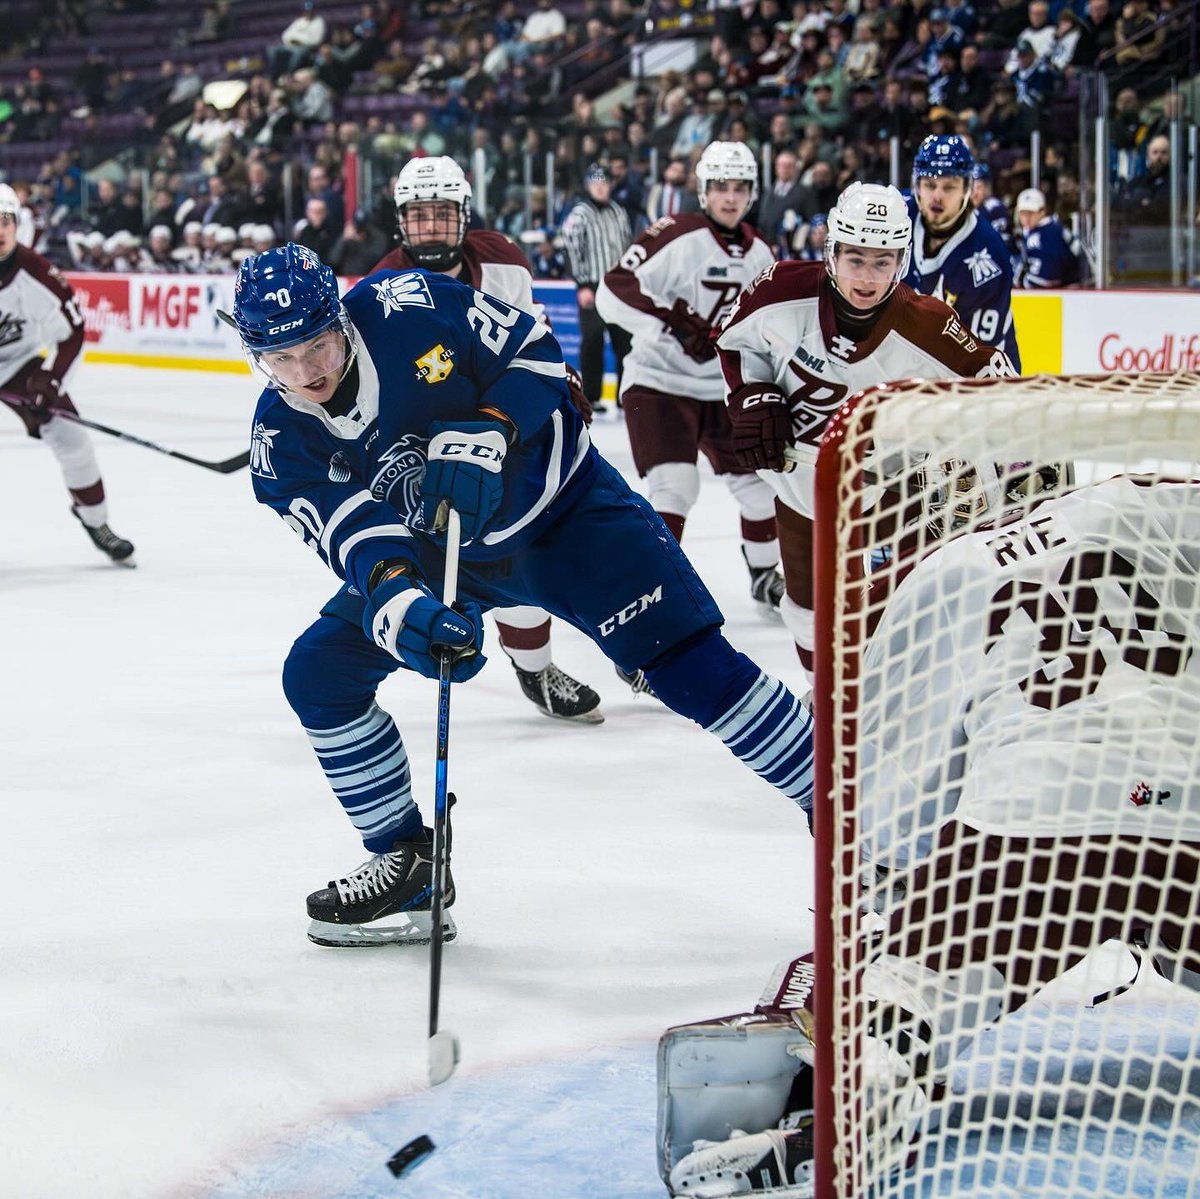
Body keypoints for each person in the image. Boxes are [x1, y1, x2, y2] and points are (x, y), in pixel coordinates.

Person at [231, 243, 816, 946]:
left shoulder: (411, 306)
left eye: (318, 346)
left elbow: (538, 353)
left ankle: (847, 814)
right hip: (447, 553)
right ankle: (408, 859)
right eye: (281, 359)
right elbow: (353, 539)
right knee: (319, 675)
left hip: (569, 517)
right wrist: (403, 608)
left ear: (341, 321)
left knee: (693, 670)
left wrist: (494, 426)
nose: (307, 372)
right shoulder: (278, 438)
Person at [661, 474, 1200, 1194]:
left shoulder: (942, 574)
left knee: (912, 991)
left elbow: (891, 816)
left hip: (1036, 815)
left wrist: (910, 910)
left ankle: (840, 1121)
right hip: (1189, 805)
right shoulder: (1148, 497)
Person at [714, 180, 1014, 688]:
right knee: (804, 607)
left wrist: (1000, 438)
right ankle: (826, 697)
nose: (868, 277)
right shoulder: (780, 289)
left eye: (882, 261)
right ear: (832, 254)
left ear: (902, 259)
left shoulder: (928, 324)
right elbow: (736, 342)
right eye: (856, 258)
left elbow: (993, 378)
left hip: (888, 490)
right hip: (798, 481)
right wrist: (753, 394)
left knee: (899, 607)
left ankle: (893, 696)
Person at [372, 155, 604, 724]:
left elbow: (530, 338)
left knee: (548, 542)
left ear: (463, 215)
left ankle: (561, 660)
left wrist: (553, 377)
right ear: (402, 221)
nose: (430, 226)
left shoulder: (503, 261)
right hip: (430, 442)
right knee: (478, 559)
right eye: (418, 215)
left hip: (504, 423)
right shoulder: (382, 289)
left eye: (441, 213)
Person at [596, 141, 785, 620]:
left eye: (739, 187)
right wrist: (670, 323)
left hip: (721, 388)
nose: (729, 196)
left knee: (761, 487)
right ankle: (653, 600)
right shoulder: (674, 232)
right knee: (675, 488)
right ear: (703, 191)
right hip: (658, 380)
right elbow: (612, 289)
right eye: (720, 186)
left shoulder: (762, 250)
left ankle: (764, 574)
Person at [0, 184, 134, 565]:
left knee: (72, 438)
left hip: (16, 364)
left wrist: (51, 381)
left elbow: (72, 332)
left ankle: (96, 522)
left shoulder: (38, 274)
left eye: (6, 220)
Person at [903, 134, 1021, 369]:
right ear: (917, 186)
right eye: (929, 185)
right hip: (914, 364)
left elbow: (979, 356)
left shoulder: (987, 257)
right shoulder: (899, 220)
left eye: (949, 187)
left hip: (982, 380)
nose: (937, 195)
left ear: (967, 189)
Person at [559, 162, 633, 416]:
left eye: (605, 183)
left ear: (611, 185)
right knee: (592, 342)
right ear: (589, 185)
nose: (601, 188)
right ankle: (592, 396)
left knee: (625, 342)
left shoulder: (618, 212)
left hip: (617, 286)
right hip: (592, 285)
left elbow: (627, 247)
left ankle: (627, 395)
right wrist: (581, 284)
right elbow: (570, 248)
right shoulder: (580, 213)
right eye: (596, 183)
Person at [1014, 186, 1083, 287]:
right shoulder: (1040, 229)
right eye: (1022, 214)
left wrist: (1022, 281)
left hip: (1067, 292)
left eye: (1030, 213)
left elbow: (1049, 278)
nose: (1026, 219)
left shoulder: (1049, 233)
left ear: (1042, 211)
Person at [970, 161, 1013, 250]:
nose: (974, 193)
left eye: (979, 187)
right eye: (971, 188)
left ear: (988, 188)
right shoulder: (971, 208)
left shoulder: (995, 208)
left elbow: (998, 242)